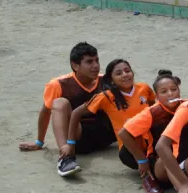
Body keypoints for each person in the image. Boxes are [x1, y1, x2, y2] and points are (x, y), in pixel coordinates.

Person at [19, 42, 116, 177]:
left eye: (97, 60)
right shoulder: (58, 84)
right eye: (89, 62)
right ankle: (66, 159)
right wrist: (39, 142)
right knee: (59, 103)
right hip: (77, 138)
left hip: (106, 136)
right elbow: (46, 112)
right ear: (75, 65)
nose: (95, 66)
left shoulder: (107, 80)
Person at [65, 59, 156, 175]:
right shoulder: (106, 97)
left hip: (152, 140)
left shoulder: (144, 88)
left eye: (127, 71)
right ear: (111, 80)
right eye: (118, 73)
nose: (124, 75)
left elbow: (154, 108)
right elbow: (76, 113)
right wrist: (70, 144)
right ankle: (148, 174)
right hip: (130, 148)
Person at [118, 70, 183, 193]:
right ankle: (149, 177)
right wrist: (141, 160)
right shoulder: (152, 113)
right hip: (160, 161)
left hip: (184, 155)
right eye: (164, 92)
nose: (170, 94)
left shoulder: (187, 106)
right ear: (157, 96)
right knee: (166, 157)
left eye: (174, 89)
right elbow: (123, 133)